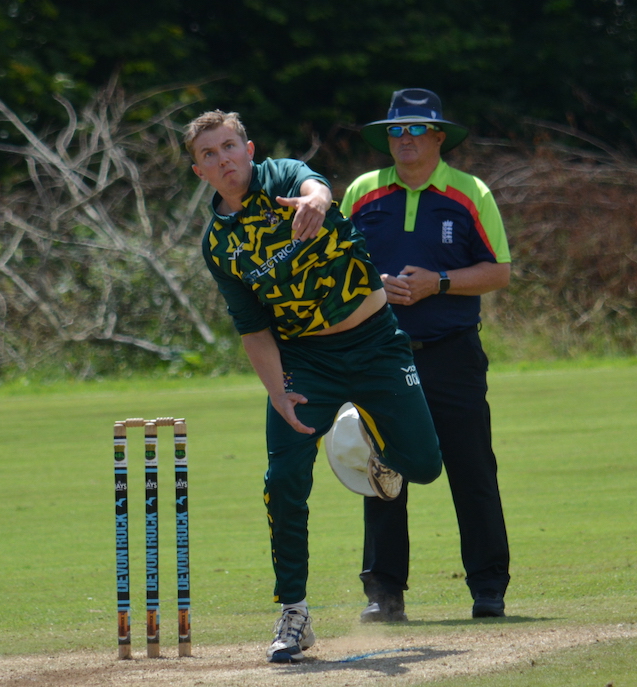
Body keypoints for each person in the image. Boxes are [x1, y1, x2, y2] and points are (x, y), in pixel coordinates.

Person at [184, 109, 443, 663]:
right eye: (209, 154)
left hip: (374, 340)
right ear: (198, 170)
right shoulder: (220, 246)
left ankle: (366, 439)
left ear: (248, 149)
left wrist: (316, 203)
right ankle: (294, 614)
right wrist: (279, 395)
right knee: (283, 478)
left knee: (423, 466)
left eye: (229, 146)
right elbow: (252, 328)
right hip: (305, 358)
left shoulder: (281, 178)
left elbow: (314, 186)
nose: (223, 159)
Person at [340, 88, 512, 622]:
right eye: (396, 130)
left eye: (416, 130)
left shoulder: (469, 193)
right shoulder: (363, 193)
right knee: (383, 471)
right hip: (382, 356)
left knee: (472, 467)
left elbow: (498, 271)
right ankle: (384, 594)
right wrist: (374, 287)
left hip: (452, 353)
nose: (405, 140)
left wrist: (438, 282)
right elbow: (335, 267)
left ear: (439, 136)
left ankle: (488, 588)